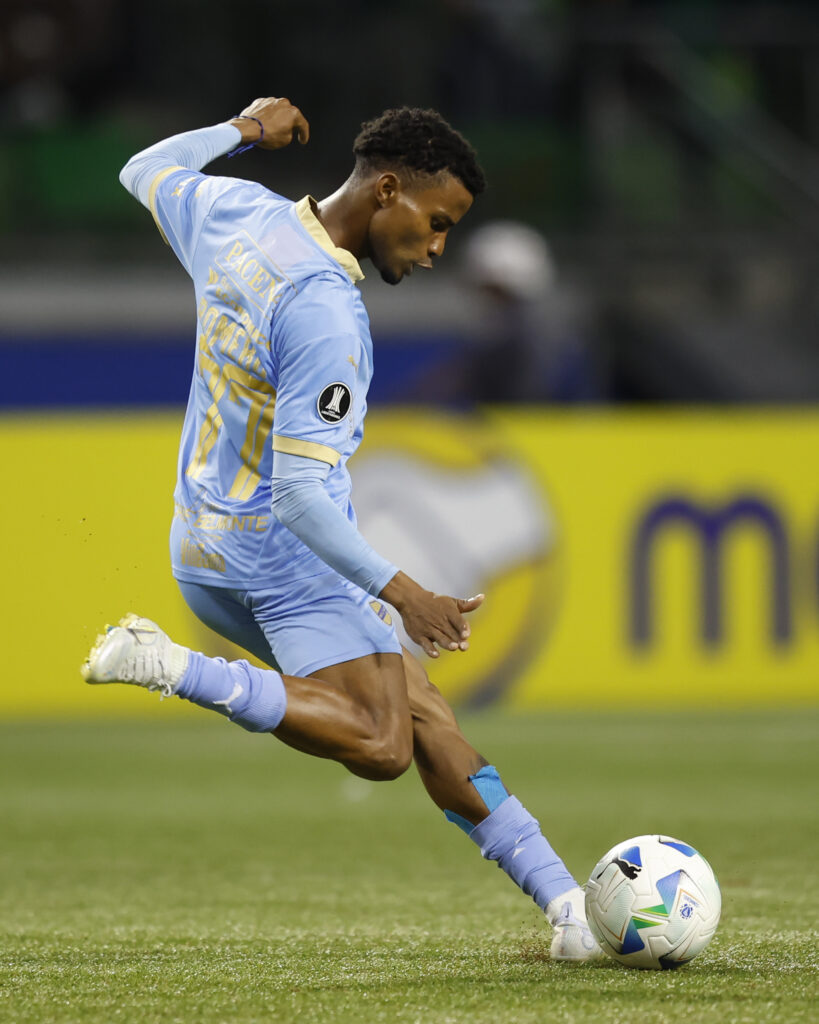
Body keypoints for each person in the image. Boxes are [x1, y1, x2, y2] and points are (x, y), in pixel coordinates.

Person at [82, 96, 600, 962]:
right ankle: (170, 666)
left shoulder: (236, 212)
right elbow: (301, 497)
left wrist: (242, 134)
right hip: (273, 557)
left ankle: (569, 913)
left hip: (199, 546)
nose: (437, 251)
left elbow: (143, 170)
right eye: (436, 225)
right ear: (388, 189)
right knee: (380, 741)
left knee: (423, 715)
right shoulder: (325, 312)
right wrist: (406, 594)